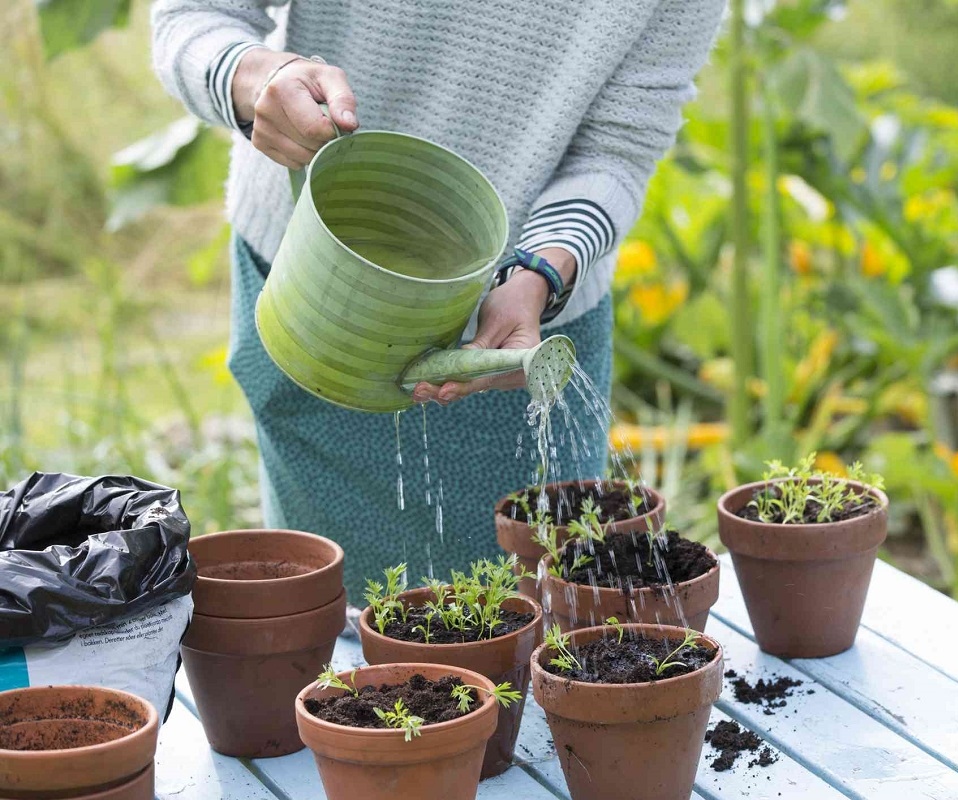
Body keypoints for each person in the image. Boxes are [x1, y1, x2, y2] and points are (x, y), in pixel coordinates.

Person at [150, 0, 725, 596]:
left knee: (547, 619)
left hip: (521, 319)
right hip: (319, 294)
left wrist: (540, 272)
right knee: (339, 635)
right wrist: (255, 78)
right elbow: (194, 15)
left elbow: (619, 145)